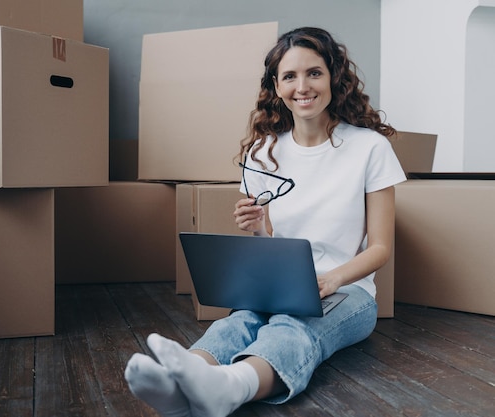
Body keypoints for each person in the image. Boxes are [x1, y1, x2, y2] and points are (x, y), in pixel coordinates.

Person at [124, 26, 406, 417]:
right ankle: (180, 386)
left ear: (333, 77)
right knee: (238, 321)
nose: (302, 86)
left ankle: (233, 387)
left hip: (349, 292)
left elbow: (380, 248)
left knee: (294, 326)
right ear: (276, 85)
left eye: (314, 73)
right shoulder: (263, 152)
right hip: (280, 285)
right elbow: (270, 241)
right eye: (290, 76)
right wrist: (256, 227)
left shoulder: (370, 148)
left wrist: (332, 279)